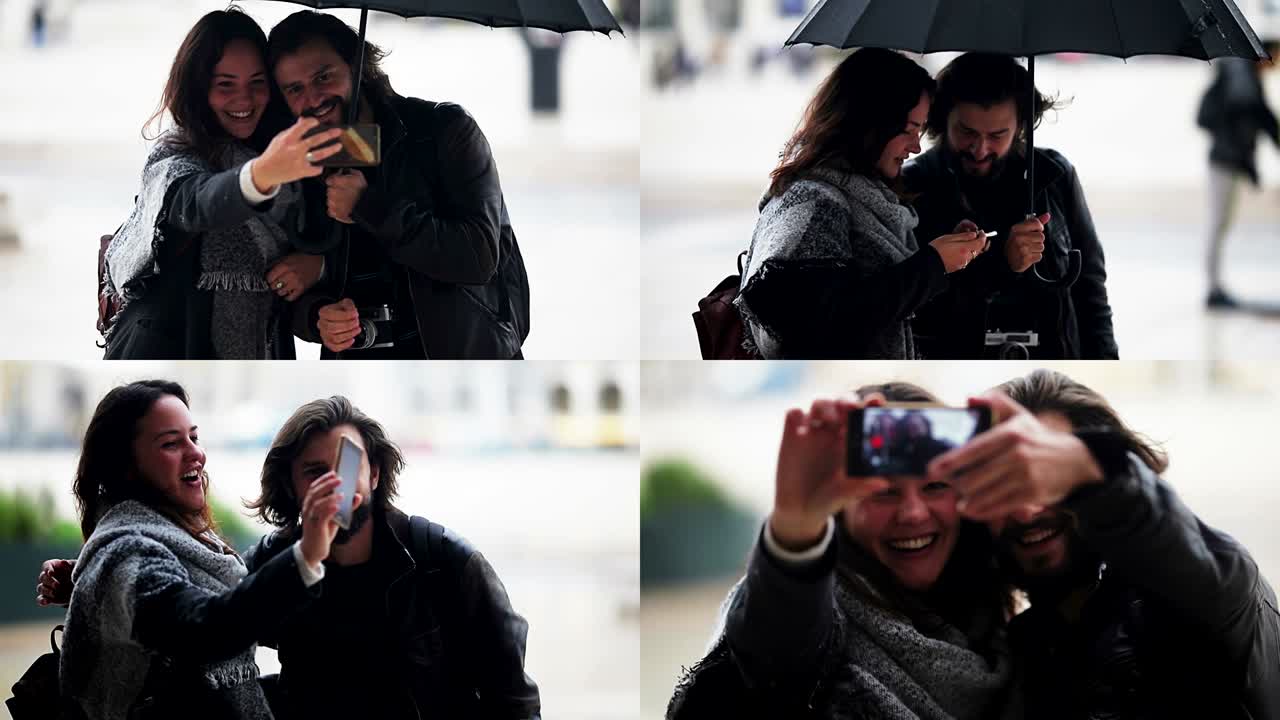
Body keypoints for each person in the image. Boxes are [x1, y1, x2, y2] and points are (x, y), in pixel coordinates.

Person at [41, 395, 542, 719]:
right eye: (315, 472)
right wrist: (90, 585)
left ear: (374, 473)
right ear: (292, 486)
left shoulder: (443, 561)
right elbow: (209, 615)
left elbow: (513, 697)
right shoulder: (274, 560)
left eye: (348, 465)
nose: (335, 484)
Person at [927, 369, 1280, 719]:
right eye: (1008, 484)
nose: (1026, 510)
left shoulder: (1205, 596)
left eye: (1052, 479)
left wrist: (1096, 470)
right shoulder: (1017, 651)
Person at [667, 383, 1021, 719]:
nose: (913, 513)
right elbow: (775, 648)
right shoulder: (813, 606)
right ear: (840, 509)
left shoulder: (1003, 628)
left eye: (935, 486)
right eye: (884, 491)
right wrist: (795, 530)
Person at [56, 380, 346, 720]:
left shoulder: (180, 543)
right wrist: (306, 555)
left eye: (194, 437)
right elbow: (203, 629)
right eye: (171, 443)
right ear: (126, 466)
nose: (196, 453)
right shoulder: (125, 555)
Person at [265, 11, 531, 359]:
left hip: (461, 358)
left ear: (357, 65)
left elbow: (478, 258)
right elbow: (292, 283)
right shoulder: (299, 159)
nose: (313, 99)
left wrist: (368, 206)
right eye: (295, 89)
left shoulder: (443, 130)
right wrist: (317, 317)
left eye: (324, 77)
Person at [102, 7, 343, 359]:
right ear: (198, 88)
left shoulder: (291, 159)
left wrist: (318, 269)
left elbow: (298, 288)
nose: (243, 99)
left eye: (257, 82)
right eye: (225, 84)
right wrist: (261, 175)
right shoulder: (173, 158)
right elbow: (198, 203)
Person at [734, 48, 990, 359]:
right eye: (908, 130)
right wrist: (933, 264)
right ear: (869, 123)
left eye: (920, 130)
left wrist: (951, 257)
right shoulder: (813, 203)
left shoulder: (869, 193)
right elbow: (817, 326)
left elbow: (886, 295)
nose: (916, 147)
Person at [903, 53, 1118, 360]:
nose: (980, 150)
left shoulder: (1054, 175)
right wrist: (1000, 264)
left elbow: (1090, 287)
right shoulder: (912, 185)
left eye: (997, 135)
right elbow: (908, 309)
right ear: (941, 118)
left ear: (1020, 126)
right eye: (967, 132)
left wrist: (1104, 361)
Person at [1197, 40, 1280, 309]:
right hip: (1224, 161)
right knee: (1217, 224)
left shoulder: (1244, 77)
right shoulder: (1242, 78)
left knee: (1219, 224)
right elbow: (1257, 114)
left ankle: (1214, 286)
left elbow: (1260, 116)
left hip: (1226, 160)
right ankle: (1213, 289)